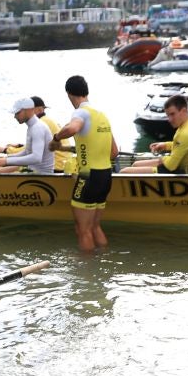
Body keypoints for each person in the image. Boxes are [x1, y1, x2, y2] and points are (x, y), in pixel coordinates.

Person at [48, 75, 117, 253]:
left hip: (88, 177)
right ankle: (104, 261)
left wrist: (56, 138)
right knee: (95, 227)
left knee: (82, 229)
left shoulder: (80, 112)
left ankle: (88, 275)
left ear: (70, 94)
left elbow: (72, 129)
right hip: (105, 176)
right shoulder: (102, 116)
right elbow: (114, 152)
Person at [118, 96, 188, 174]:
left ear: (184, 111)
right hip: (182, 166)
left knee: (124, 171)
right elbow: (184, 145)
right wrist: (165, 145)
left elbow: (171, 165)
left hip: (179, 171)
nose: (169, 119)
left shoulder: (186, 133)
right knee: (135, 164)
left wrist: (162, 159)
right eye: (168, 115)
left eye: (172, 114)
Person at [0, 97, 53, 174]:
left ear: (28, 110)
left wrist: (6, 161)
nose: (15, 117)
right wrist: (6, 157)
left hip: (42, 175)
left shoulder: (37, 128)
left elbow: (36, 158)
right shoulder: (32, 127)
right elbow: (27, 152)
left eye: (17, 113)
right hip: (33, 171)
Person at [33, 95, 73, 173]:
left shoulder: (41, 123)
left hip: (57, 167)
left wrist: (6, 150)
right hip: (65, 164)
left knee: (20, 165)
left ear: (39, 110)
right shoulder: (48, 120)